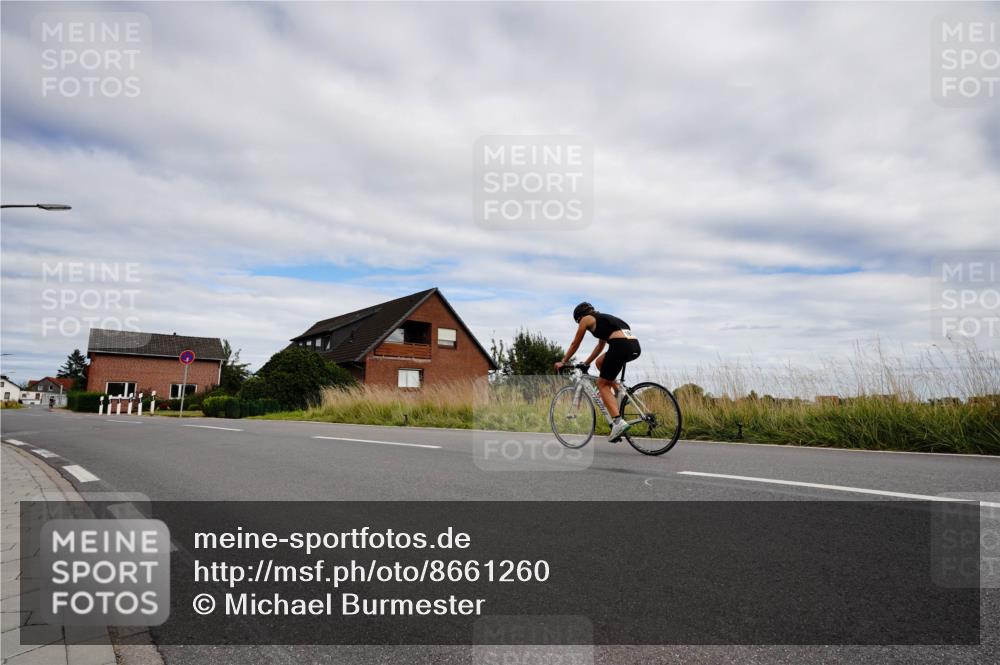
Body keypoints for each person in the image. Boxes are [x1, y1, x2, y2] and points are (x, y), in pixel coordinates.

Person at [554, 302, 641, 442]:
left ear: (579, 317)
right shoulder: (603, 320)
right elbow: (600, 346)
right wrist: (587, 363)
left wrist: (563, 361)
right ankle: (618, 390)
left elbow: (575, 343)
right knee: (600, 363)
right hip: (633, 346)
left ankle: (618, 423)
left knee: (601, 384)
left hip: (620, 346)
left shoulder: (586, 319)